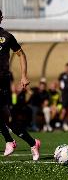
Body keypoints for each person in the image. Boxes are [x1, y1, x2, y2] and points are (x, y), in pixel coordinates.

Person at [0, 9, 40, 160]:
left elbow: (21, 54)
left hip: (2, 81)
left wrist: (24, 76)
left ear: (1, 18)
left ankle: (11, 141)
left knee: (6, 119)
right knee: (6, 119)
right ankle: (31, 142)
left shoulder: (6, 37)